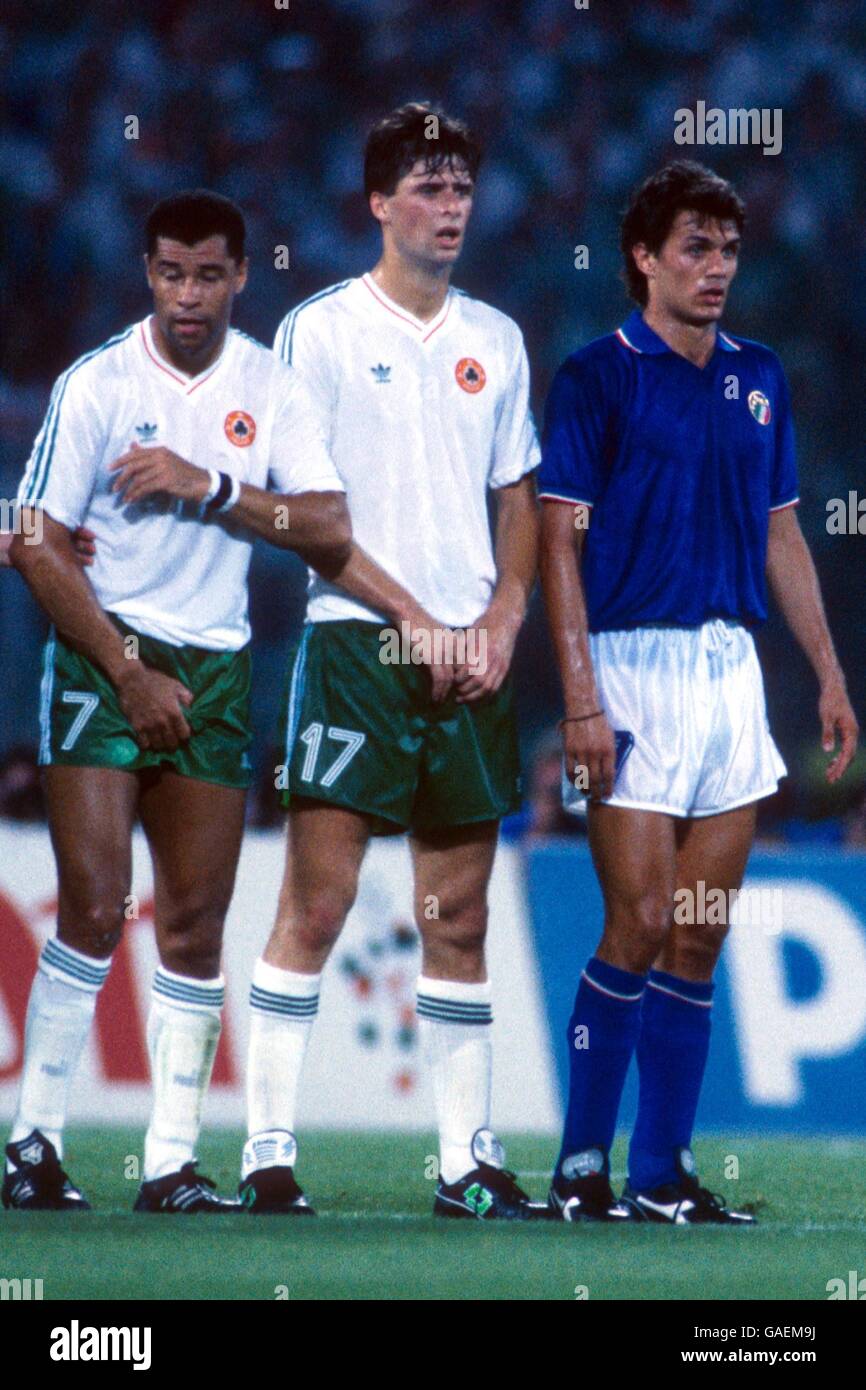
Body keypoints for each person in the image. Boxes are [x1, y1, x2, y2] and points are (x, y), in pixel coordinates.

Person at [4, 189, 351, 1213]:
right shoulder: (99, 382)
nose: (187, 295)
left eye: (207, 275)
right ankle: (32, 1143)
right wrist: (124, 669)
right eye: (169, 273)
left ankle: (169, 1163)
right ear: (146, 274)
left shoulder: (271, 387)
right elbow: (32, 535)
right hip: (107, 661)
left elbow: (327, 525)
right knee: (98, 902)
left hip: (216, 670)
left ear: (240, 276)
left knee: (195, 927)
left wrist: (208, 486)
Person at [538, 160, 859, 1224]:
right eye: (694, 248)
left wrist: (823, 669)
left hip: (729, 675)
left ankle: (660, 1173)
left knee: (697, 927)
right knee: (631, 921)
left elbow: (780, 535)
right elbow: (557, 548)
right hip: (627, 670)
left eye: (726, 250)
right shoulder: (596, 375)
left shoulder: (759, 374)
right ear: (642, 255)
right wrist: (580, 699)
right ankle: (580, 1163)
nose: (715, 268)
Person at [239, 103, 542, 1219]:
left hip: (472, 651)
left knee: (456, 914)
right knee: (316, 905)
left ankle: (466, 1163)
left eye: (460, 186)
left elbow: (517, 500)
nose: (449, 205)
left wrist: (504, 618)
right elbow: (311, 525)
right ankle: (267, 1153)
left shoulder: (494, 339)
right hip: (359, 645)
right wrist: (413, 615)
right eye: (426, 185)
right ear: (377, 202)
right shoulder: (316, 333)